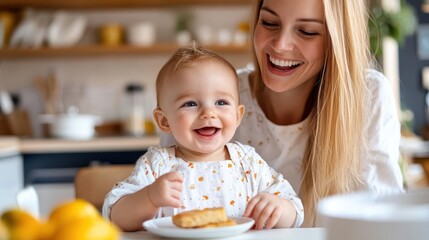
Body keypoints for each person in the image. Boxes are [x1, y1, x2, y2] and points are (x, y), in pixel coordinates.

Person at [161, 0, 405, 227]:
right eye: (269, 23)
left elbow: (384, 219)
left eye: (307, 31)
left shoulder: (368, 96)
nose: (280, 45)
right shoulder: (215, 99)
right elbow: (161, 212)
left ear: (337, 39)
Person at [102, 42, 304, 231]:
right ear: (164, 121)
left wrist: (279, 208)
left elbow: (296, 211)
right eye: (190, 104)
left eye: (221, 102)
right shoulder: (158, 165)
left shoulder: (248, 163)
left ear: (237, 115)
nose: (208, 113)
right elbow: (114, 215)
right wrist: (149, 198)